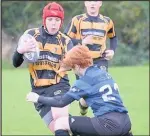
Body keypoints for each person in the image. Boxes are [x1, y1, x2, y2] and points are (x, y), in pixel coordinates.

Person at [26, 45, 133, 136]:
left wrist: (38, 98)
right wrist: (83, 111)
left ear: (77, 66)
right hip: (125, 122)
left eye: (72, 67)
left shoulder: (84, 81)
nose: (73, 71)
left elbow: (61, 102)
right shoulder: (102, 73)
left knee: (60, 123)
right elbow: (88, 99)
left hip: (108, 124)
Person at [12, 2, 73, 133]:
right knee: (60, 130)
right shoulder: (31, 35)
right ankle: (86, 128)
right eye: (50, 19)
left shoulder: (65, 41)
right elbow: (15, 63)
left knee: (60, 121)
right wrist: (20, 50)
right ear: (44, 20)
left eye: (57, 20)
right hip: (38, 92)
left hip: (59, 86)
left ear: (61, 22)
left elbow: (72, 64)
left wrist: (70, 62)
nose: (53, 23)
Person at [64, 0, 118, 116]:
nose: (92, 3)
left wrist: (112, 50)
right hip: (82, 62)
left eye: (95, 1)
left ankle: (103, 118)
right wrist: (81, 42)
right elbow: (66, 38)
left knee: (100, 88)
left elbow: (113, 37)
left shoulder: (107, 21)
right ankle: (83, 106)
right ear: (85, 3)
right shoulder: (77, 20)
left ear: (100, 3)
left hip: (100, 60)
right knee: (86, 93)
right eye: (89, 1)